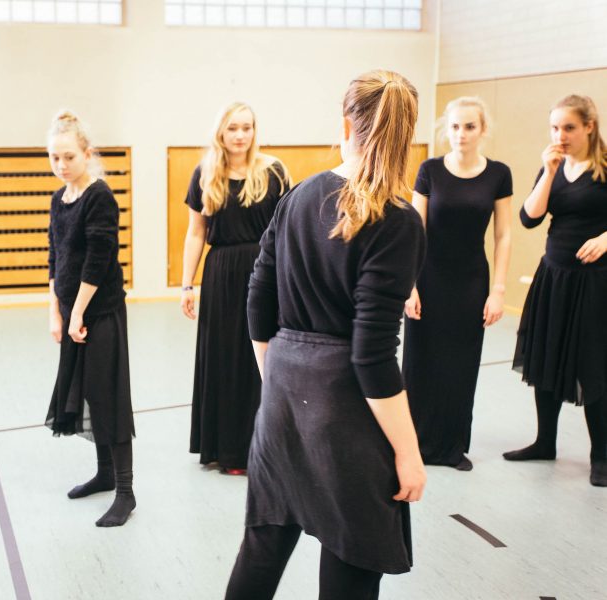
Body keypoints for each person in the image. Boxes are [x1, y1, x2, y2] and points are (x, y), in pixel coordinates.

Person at [225, 71, 427, 600]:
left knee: (263, 545)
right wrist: (407, 452)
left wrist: (279, 378)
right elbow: (373, 356)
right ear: (408, 136)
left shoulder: (297, 197)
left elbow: (257, 303)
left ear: (345, 125)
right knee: (352, 552)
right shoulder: (398, 221)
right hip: (345, 408)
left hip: (285, 391)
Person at [403, 97, 513, 471]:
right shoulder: (430, 170)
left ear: (482, 130)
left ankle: (452, 447)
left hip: (470, 283)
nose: (461, 134)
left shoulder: (498, 174)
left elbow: (503, 235)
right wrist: (409, 285)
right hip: (427, 278)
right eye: (454, 127)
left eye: (469, 127)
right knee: (420, 364)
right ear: (445, 130)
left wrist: (498, 290)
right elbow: (413, 231)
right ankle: (412, 444)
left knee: (460, 366)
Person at [181, 102, 290, 475]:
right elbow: (196, 233)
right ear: (221, 133)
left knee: (262, 360)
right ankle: (227, 449)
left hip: (265, 272)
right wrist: (186, 285)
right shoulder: (205, 174)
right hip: (222, 275)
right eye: (233, 128)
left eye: (246, 127)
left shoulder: (274, 171)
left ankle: (267, 445)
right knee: (225, 358)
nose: (240, 135)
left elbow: (287, 232)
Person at [505, 94, 607, 487]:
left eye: (568, 127)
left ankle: (601, 455)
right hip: (554, 276)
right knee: (546, 356)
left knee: (592, 363)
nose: (560, 135)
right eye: (554, 127)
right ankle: (544, 441)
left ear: (589, 127)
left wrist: (605, 238)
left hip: (595, 282)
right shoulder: (554, 165)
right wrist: (547, 173)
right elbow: (529, 218)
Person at [45, 111, 136, 527]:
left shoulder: (99, 196)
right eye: (54, 158)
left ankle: (125, 491)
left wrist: (78, 311)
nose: (62, 166)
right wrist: (57, 312)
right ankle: (102, 474)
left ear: (86, 154)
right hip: (73, 314)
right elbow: (55, 258)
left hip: (99, 313)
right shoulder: (58, 198)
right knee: (86, 393)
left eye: (68, 157)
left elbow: (99, 261)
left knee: (107, 396)